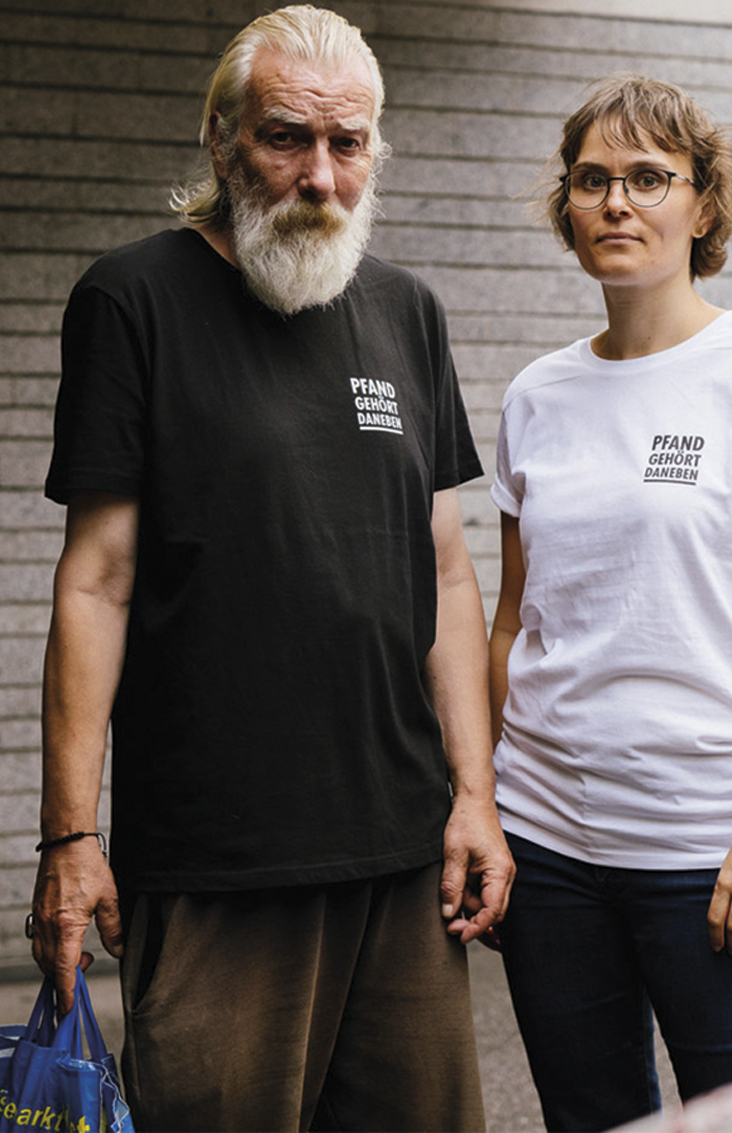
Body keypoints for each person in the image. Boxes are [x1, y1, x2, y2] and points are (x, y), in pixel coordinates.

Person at [31, 7, 510, 1129]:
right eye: (286, 137)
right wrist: (69, 836)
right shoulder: (131, 298)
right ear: (220, 139)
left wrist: (475, 797)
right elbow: (95, 582)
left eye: (347, 144)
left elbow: (445, 572)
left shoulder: (407, 310)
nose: (319, 176)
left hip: (404, 856)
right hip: (217, 865)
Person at [488, 75, 732, 1131]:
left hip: (702, 848)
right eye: (591, 180)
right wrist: (487, 804)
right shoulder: (536, 394)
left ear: (704, 205)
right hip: (548, 849)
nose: (616, 202)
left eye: (648, 177)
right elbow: (511, 620)